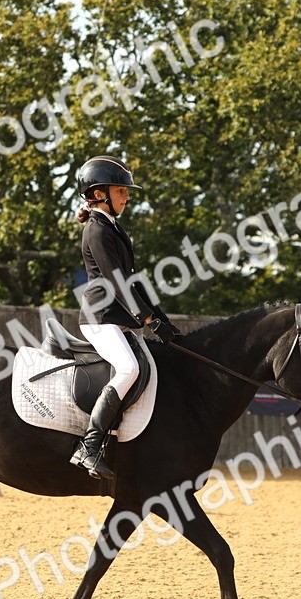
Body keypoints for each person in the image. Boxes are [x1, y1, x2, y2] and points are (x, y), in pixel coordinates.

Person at [70, 155, 182, 480]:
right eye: (122, 191)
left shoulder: (113, 228)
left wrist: (162, 319)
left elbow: (134, 282)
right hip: (100, 317)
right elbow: (116, 282)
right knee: (129, 368)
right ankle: (89, 447)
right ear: (99, 193)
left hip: (115, 316)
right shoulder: (97, 231)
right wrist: (145, 318)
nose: (128, 197)